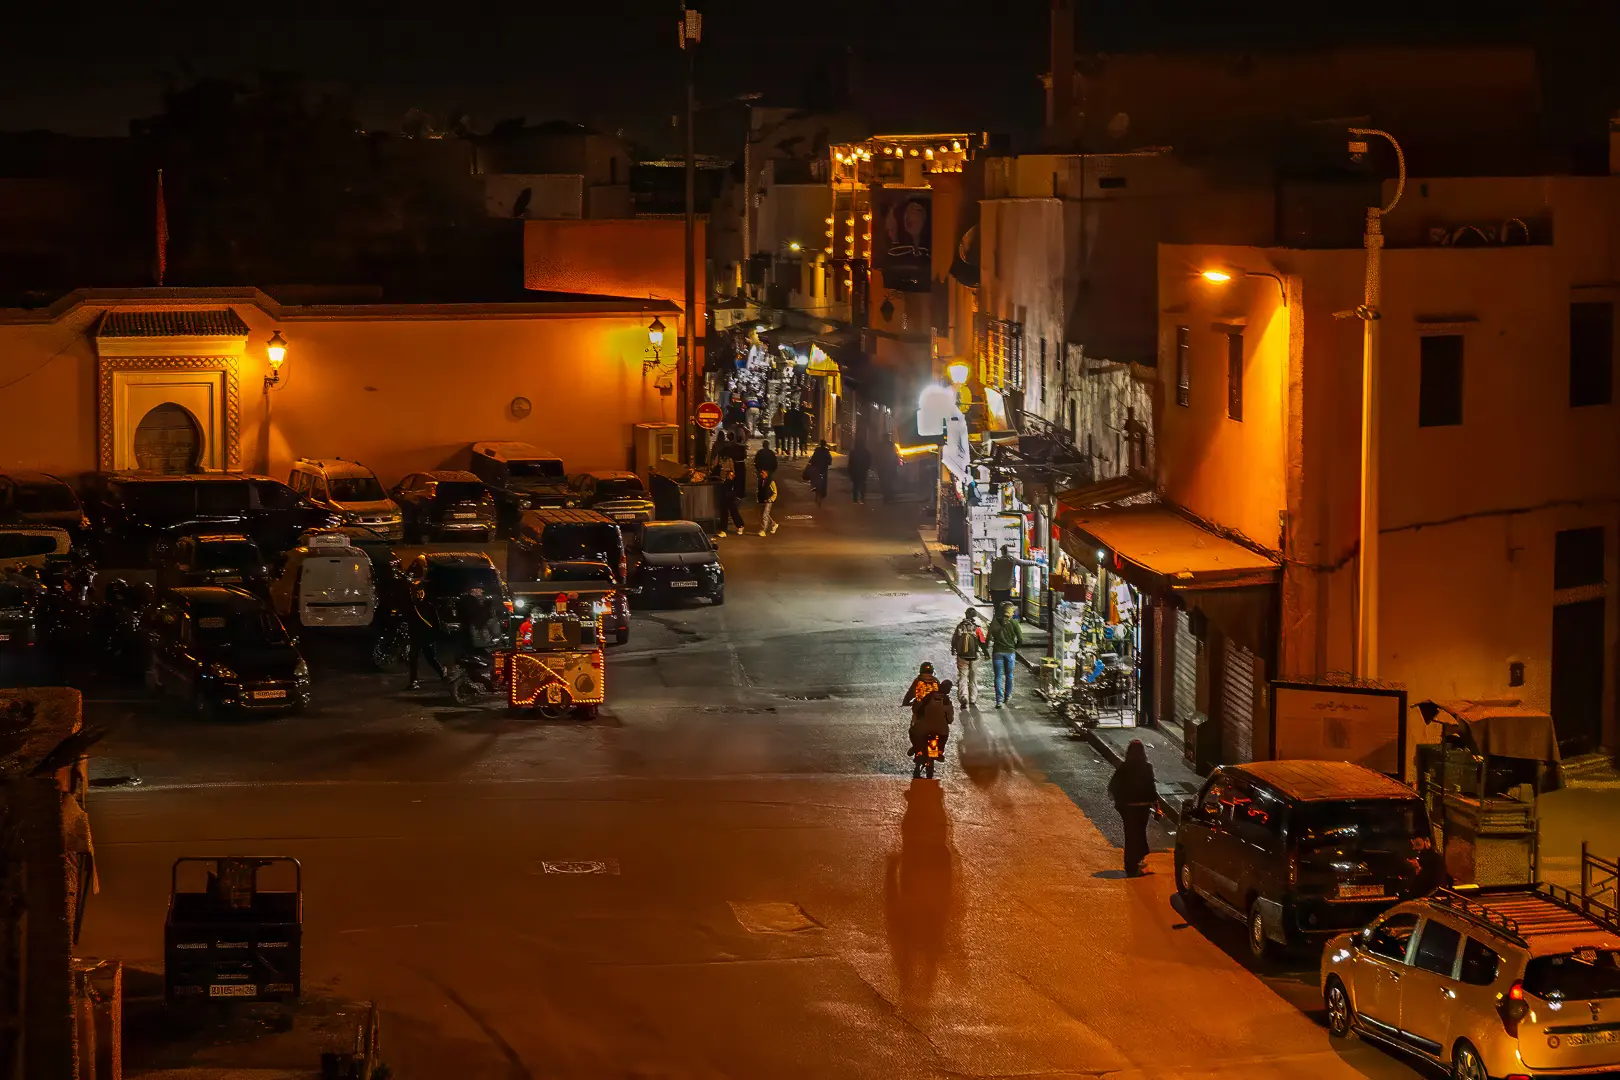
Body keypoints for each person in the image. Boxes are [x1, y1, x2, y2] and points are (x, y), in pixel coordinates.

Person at [1108, 739, 1158, 876]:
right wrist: (1155, 803)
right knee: (1140, 833)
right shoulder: (1147, 767)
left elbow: (1114, 786)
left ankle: (1131, 864)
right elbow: (1151, 787)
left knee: (1131, 835)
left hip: (1128, 807)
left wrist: (1121, 802)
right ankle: (1138, 859)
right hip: (1143, 807)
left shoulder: (1124, 767)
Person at [949, 607, 988, 706]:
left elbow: (954, 640)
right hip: (974, 656)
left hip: (962, 656)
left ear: (966, 615)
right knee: (973, 678)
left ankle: (963, 697)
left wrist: (953, 650)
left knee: (962, 677)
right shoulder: (977, 628)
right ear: (974, 616)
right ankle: (972, 699)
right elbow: (982, 642)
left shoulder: (960, 627)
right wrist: (986, 653)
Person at [909, 679, 956, 760]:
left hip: (922, 728)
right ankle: (940, 751)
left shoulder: (928, 697)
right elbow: (950, 719)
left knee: (912, 731)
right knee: (944, 736)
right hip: (941, 730)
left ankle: (916, 748)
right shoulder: (947, 701)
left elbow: (916, 708)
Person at [987, 603, 1022, 707]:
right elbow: (1021, 639)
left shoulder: (994, 622)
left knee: (998, 676)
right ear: (1010, 613)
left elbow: (988, 638)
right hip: (1010, 652)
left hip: (997, 652)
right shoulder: (1014, 623)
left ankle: (999, 700)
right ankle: (1007, 696)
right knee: (1009, 675)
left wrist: (985, 650)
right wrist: (1014, 647)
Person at [988, 544, 1039, 613]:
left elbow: (993, 574)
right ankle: (1002, 621)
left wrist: (990, 588)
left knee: (997, 607)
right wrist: (1036, 563)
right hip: (1004, 588)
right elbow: (1024, 562)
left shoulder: (996, 560)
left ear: (1002, 552)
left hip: (994, 588)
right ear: (1008, 552)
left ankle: (996, 621)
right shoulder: (1011, 559)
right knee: (1005, 608)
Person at [716, 454, 745, 536]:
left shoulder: (730, 461)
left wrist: (729, 476)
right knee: (724, 510)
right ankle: (723, 529)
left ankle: (740, 525)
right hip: (723, 485)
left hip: (729, 489)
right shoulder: (719, 459)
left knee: (733, 510)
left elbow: (733, 473)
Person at [805, 441, 832, 506]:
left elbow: (812, 459)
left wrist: (811, 463)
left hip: (816, 468)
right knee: (824, 481)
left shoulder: (817, 450)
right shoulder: (826, 451)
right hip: (823, 469)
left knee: (815, 479)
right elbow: (830, 461)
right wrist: (828, 463)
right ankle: (822, 493)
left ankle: (814, 488)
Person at [848, 439, 871, 503]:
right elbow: (869, 462)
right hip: (862, 471)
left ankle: (855, 498)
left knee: (855, 485)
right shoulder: (866, 452)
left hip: (855, 471)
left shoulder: (853, 452)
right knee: (862, 483)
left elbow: (850, 462)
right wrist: (866, 467)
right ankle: (862, 497)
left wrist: (850, 470)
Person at [756, 470, 778, 536]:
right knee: (765, 514)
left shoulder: (771, 481)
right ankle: (774, 524)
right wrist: (757, 498)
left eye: (763, 473)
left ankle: (763, 530)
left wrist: (771, 499)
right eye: (761, 473)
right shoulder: (760, 481)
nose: (761, 474)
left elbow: (775, 491)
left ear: (766, 473)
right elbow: (758, 490)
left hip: (768, 500)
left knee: (764, 515)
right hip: (762, 500)